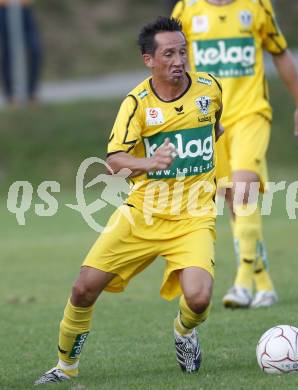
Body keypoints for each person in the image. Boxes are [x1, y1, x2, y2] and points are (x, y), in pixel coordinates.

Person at [34, 16, 223, 385]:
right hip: (143, 213)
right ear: (148, 59)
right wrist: (148, 162)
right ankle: (65, 368)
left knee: (199, 299)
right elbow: (113, 163)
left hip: (193, 216)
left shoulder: (209, 89)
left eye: (183, 52)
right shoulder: (136, 104)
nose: (178, 61)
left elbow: (216, 128)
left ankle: (185, 333)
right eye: (169, 54)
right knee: (83, 288)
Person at [172, 0, 298, 308]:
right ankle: (264, 284)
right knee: (233, 201)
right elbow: (171, 62)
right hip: (211, 120)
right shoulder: (187, 9)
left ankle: (242, 282)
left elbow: (280, 53)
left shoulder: (257, 5)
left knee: (244, 188)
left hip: (252, 113)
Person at [0, 0, 42, 105]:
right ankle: (10, 95)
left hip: (24, 9)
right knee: (9, 52)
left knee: (35, 49)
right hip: (3, 9)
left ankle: (31, 92)